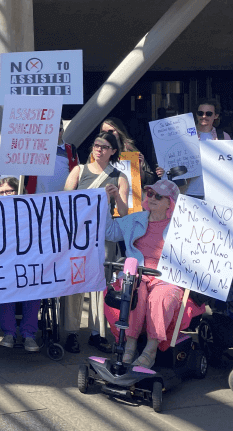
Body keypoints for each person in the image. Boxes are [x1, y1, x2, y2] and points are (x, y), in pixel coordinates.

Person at [104, 180, 205, 368]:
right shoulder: (136, 219)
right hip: (137, 272)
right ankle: (130, 344)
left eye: (159, 196)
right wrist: (106, 202)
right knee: (133, 289)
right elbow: (109, 231)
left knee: (163, 295)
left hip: (166, 276)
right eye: (150, 194)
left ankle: (151, 349)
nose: (152, 198)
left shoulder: (182, 225)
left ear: (170, 202)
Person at [62, 131, 129, 354]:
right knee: (75, 282)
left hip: (102, 237)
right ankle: (71, 331)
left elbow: (123, 210)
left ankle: (97, 333)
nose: (98, 149)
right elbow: (65, 201)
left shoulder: (119, 177)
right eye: (96, 145)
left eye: (104, 147)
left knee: (100, 285)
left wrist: (115, 196)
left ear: (113, 151)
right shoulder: (78, 170)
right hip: (79, 237)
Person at [0, 177, 41, 353]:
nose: (5, 195)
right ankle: (9, 332)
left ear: (18, 191)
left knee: (34, 288)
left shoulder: (32, 211)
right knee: (5, 289)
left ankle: (29, 333)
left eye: (9, 191)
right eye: (1, 193)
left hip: (28, 263)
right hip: (4, 264)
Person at [156, 98, 230, 200]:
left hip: (216, 193)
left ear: (216, 116)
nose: (204, 116)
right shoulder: (183, 135)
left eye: (208, 113)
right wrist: (164, 170)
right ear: (196, 115)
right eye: (200, 113)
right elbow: (172, 160)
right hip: (187, 192)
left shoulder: (223, 137)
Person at [100, 117, 158, 189]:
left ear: (119, 131)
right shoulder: (97, 152)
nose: (107, 135)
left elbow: (150, 180)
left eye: (111, 131)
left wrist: (139, 170)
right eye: (103, 132)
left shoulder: (130, 151)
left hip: (129, 197)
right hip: (105, 196)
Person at [25, 119, 80, 194]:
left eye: (59, 129)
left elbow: (76, 174)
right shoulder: (36, 147)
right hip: (38, 198)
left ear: (62, 131)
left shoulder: (71, 149)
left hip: (63, 198)